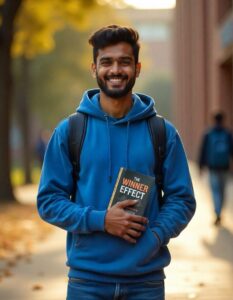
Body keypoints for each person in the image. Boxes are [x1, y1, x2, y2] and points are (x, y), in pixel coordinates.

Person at [37, 25, 196, 300]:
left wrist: (155, 238)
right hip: (86, 282)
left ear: (137, 67)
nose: (115, 70)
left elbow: (182, 200)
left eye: (124, 61)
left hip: (145, 283)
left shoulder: (162, 132)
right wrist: (101, 220)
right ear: (93, 68)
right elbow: (49, 201)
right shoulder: (71, 131)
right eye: (106, 62)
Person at [198, 112, 233, 226]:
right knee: (222, 191)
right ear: (223, 120)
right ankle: (220, 211)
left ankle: (217, 212)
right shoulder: (227, 134)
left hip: (212, 168)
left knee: (215, 191)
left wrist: (200, 166)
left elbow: (203, 151)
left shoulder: (208, 134)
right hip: (224, 167)